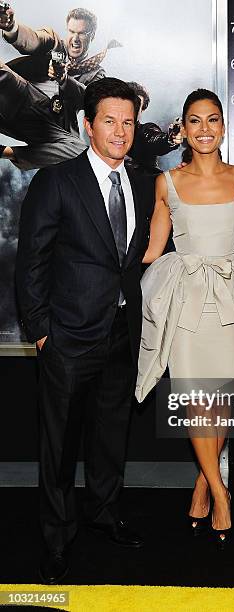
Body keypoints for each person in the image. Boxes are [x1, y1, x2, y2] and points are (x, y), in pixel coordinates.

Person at [15, 77, 154, 583]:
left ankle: (103, 512)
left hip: (122, 332)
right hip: (68, 337)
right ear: (87, 124)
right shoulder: (56, 181)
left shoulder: (142, 181)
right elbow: (31, 263)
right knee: (59, 445)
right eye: (110, 121)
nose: (120, 132)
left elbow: (137, 259)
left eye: (128, 122)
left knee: (111, 435)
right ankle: (56, 538)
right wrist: (42, 331)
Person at [135, 88, 234, 546]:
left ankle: (201, 484)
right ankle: (220, 491)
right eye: (195, 120)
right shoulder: (166, 183)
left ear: (224, 127)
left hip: (232, 296)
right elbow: (153, 249)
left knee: (223, 398)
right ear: (184, 129)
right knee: (196, 400)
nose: (205, 129)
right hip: (188, 301)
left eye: (213, 120)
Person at [0, 6, 117, 168]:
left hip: (45, 126)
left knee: (81, 153)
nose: (75, 39)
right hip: (14, 96)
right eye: (72, 32)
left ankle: (5, 152)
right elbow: (32, 40)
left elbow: (90, 100)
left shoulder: (97, 74)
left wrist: (64, 80)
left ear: (92, 36)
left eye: (82, 33)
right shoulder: (53, 43)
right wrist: (11, 27)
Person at [127, 81, 182, 174]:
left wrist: (170, 139)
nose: (132, 110)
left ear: (142, 110)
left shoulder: (145, 131)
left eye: (137, 106)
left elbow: (156, 139)